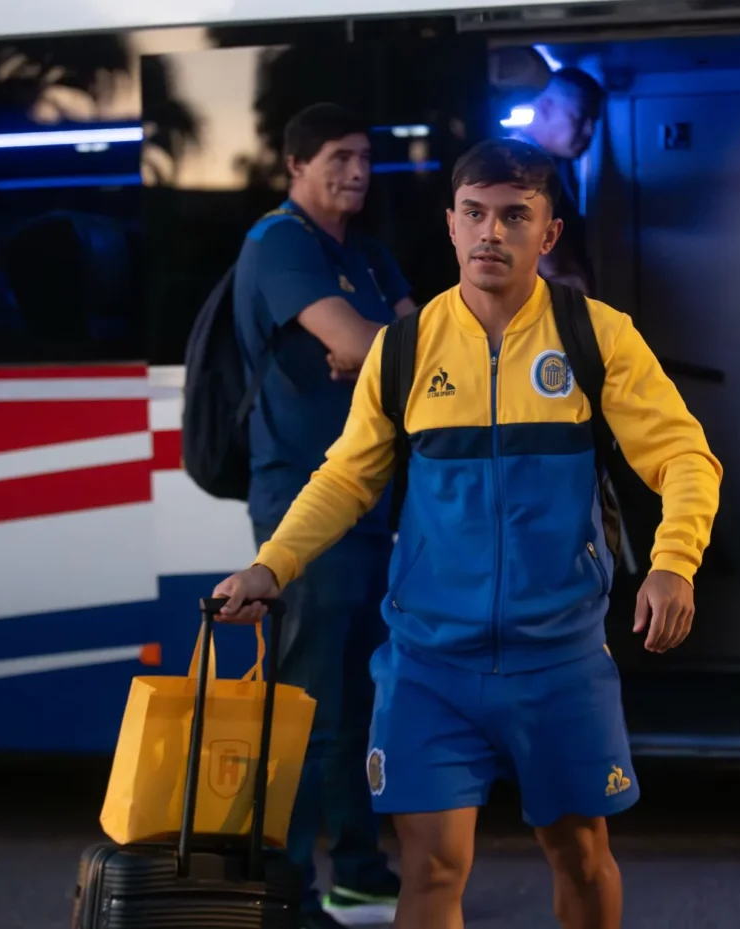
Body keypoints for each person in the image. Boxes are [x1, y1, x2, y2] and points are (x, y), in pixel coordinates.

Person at [215, 138, 723, 929]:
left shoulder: (597, 335)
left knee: (582, 859)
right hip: (429, 663)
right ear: (450, 225)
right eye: (476, 214)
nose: (492, 233)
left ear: (548, 234)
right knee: (433, 868)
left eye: (515, 216)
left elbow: (684, 456)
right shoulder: (406, 346)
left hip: (558, 657)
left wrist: (674, 561)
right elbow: (347, 477)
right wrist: (270, 565)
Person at [231, 102, 415, 928]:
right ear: (295, 166)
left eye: (366, 157)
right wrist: (374, 346)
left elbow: (406, 346)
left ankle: (360, 872)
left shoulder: (367, 251)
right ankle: (286, 887)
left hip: (373, 501)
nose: (356, 172)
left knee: (364, 694)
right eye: (338, 157)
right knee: (305, 702)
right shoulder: (280, 243)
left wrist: (375, 350)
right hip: (304, 504)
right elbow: (364, 342)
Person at [506, 66, 605, 295]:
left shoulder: (551, 168)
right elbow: (551, 265)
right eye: (581, 117)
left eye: (594, 121)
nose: (590, 131)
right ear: (546, 107)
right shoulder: (519, 168)